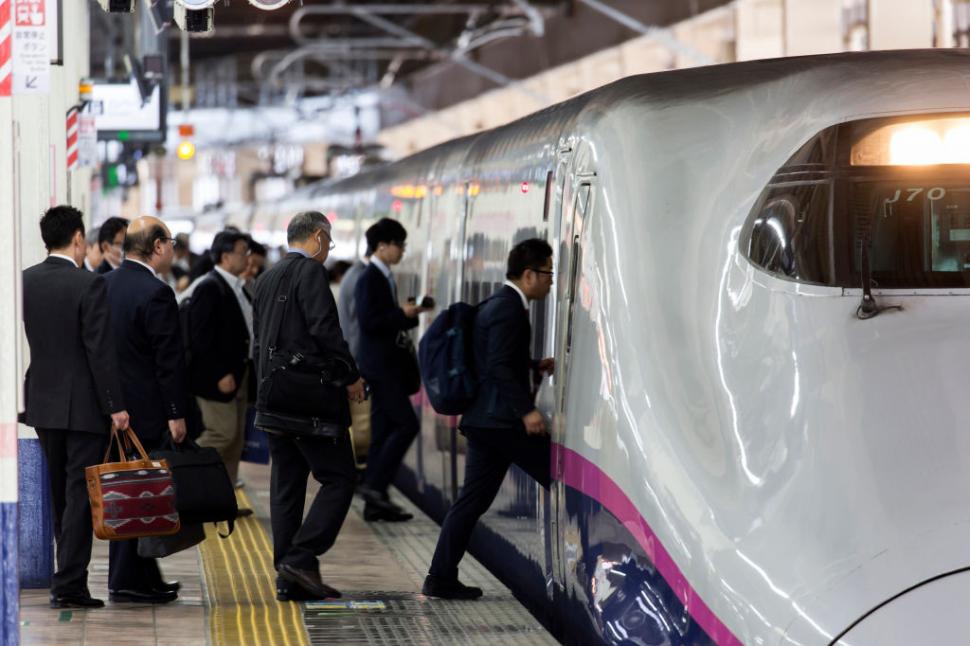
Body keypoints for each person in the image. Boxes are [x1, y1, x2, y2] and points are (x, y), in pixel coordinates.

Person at [423, 238, 555, 600]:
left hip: (486, 421)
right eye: (547, 273)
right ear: (528, 275)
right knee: (560, 475)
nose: (551, 281)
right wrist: (527, 411)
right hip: (500, 422)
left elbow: (495, 360)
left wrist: (533, 366)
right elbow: (497, 366)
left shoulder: (500, 304)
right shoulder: (509, 309)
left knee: (471, 502)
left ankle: (440, 577)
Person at [252, 211, 366, 602]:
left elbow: (259, 341)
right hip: (308, 402)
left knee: (287, 487)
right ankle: (301, 557)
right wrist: (350, 375)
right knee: (340, 478)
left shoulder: (266, 277)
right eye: (328, 241)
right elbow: (325, 330)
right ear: (317, 236)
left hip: (274, 397)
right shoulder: (311, 273)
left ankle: (289, 579)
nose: (328, 249)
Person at [21, 206, 130, 609]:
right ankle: (69, 585)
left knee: (61, 495)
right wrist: (116, 406)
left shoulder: (25, 280)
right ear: (79, 238)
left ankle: (65, 576)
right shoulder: (89, 284)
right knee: (80, 495)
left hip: (42, 403)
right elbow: (99, 351)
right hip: (84, 408)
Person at [103, 215, 188, 604]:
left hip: (114, 409)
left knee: (128, 490)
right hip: (148, 411)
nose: (171, 249)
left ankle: (142, 575)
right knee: (140, 492)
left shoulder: (104, 284)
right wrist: (176, 412)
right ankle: (127, 580)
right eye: (169, 242)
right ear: (157, 246)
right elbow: (168, 360)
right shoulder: (157, 292)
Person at [354, 218, 431, 521]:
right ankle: (373, 486)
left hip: (386, 366)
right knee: (407, 425)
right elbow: (369, 322)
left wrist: (408, 314)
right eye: (399, 245)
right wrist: (401, 313)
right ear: (382, 246)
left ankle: (376, 504)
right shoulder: (370, 278)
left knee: (383, 430)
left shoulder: (383, 276)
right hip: (380, 368)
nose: (402, 250)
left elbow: (384, 319)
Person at [187, 230, 253, 508]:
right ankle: (183, 469)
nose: (248, 257)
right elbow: (199, 337)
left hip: (240, 375)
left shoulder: (238, 287)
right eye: (242, 252)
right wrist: (218, 373)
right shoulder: (210, 287)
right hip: (217, 380)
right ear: (226, 256)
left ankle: (223, 500)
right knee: (221, 434)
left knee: (235, 440)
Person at [337, 245, 372, 466]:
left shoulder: (353, 273)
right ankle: (357, 466)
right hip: (356, 362)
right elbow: (358, 326)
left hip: (352, 359)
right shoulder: (360, 276)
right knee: (361, 422)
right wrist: (357, 367)